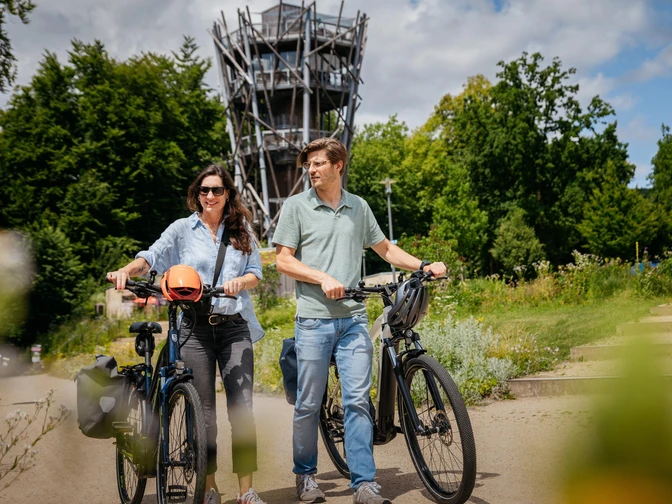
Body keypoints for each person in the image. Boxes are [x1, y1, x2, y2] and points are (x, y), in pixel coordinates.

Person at [273, 138, 446, 504]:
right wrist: (322, 277)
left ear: (339, 166)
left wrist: (423, 265)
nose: (311, 170)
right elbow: (283, 261)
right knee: (308, 402)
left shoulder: (359, 207)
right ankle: (305, 477)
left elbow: (385, 249)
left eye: (319, 163)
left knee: (355, 401)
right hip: (314, 320)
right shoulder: (296, 207)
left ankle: (364, 483)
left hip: (352, 319)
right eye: (309, 165)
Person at [107, 164, 267, 504]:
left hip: (234, 326)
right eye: (204, 190)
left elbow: (255, 272)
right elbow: (150, 257)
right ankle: (208, 488)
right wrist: (125, 270)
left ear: (228, 195)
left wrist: (242, 282)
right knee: (203, 414)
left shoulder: (241, 229)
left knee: (243, 410)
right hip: (193, 328)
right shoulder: (182, 229)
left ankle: (246, 491)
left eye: (217, 190)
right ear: (196, 194)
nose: (210, 196)